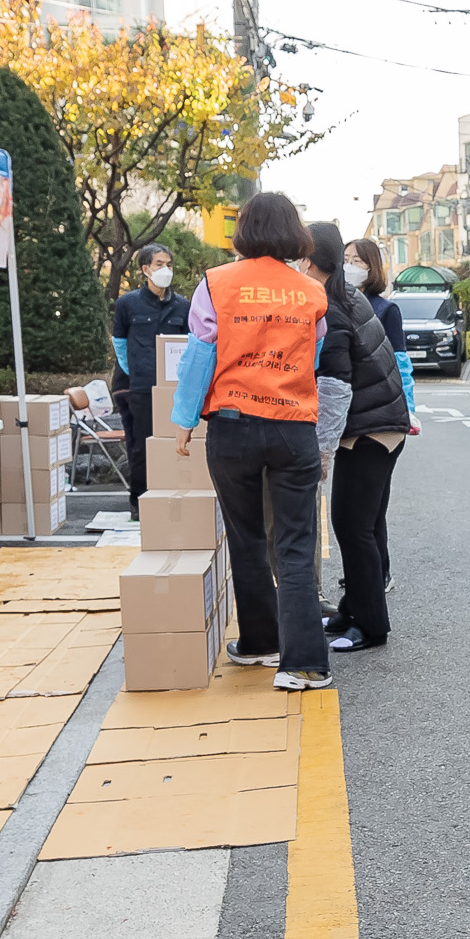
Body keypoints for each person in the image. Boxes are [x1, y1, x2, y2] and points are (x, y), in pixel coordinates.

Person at [166, 193, 334, 692]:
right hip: (292, 426)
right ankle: (304, 662)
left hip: (232, 424)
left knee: (245, 537)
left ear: (242, 229)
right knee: (296, 543)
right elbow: (315, 357)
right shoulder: (310, 292)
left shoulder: (216, 284)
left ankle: (260, 641)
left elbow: (200, 355)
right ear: (295, 233)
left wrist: (183, 421)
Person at [310, 223, 409, 652]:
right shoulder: (343, 297)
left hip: (370, 429)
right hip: (378, 423)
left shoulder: (332, 309)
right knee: (358, 524)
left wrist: (323, 449)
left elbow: (335, 386)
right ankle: (352, 609)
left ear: (311, 261)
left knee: (353, 527)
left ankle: (370, 627)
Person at [345, 239, 418, 598]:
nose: (349, 266)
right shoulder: (340, 304)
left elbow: (400, 364)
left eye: (356, 260)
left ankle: (380, 570)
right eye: (344, 259)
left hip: (382, 418)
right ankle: (364, 572)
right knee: (360, 509)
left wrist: (410, 408)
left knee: (373, 507)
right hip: (354, 419)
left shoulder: (385, 309)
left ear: (372, 266)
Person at [111, 244, 192, 517]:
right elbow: (119, 344)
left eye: (168, 263)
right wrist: (134, 372)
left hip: (173, 387)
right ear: (145, 269)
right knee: (141, 444)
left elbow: (188, 345)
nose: (165, 270)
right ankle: (139, 500)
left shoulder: (182, 305)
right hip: (140, 387)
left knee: (174, 442)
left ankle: (172, 494)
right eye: (159, 264)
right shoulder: (127, 304)